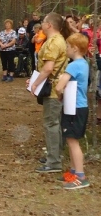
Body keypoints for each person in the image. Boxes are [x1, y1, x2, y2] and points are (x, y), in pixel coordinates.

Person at [29, 12, 67, 173]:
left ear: (49, 25)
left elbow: (49, 68)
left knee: (51, 123)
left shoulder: (53, 42)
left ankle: (54, 162)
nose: (42, 24)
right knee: (55, 123)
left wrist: (35, 84)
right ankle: (55, 154)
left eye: (44, 21)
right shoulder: (58, 40)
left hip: (52, 88)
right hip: (55, 86)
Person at [55, 33, 90, 190]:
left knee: (73, 141)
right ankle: (73, 171)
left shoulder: (73, 65)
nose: (67, 49)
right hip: (79, 106)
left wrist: (59, 95)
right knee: (70, 138)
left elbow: (59, 86)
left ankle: (81, 176)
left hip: (74, 107)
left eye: (68, 47)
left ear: (75, 48)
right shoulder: (84, 63)